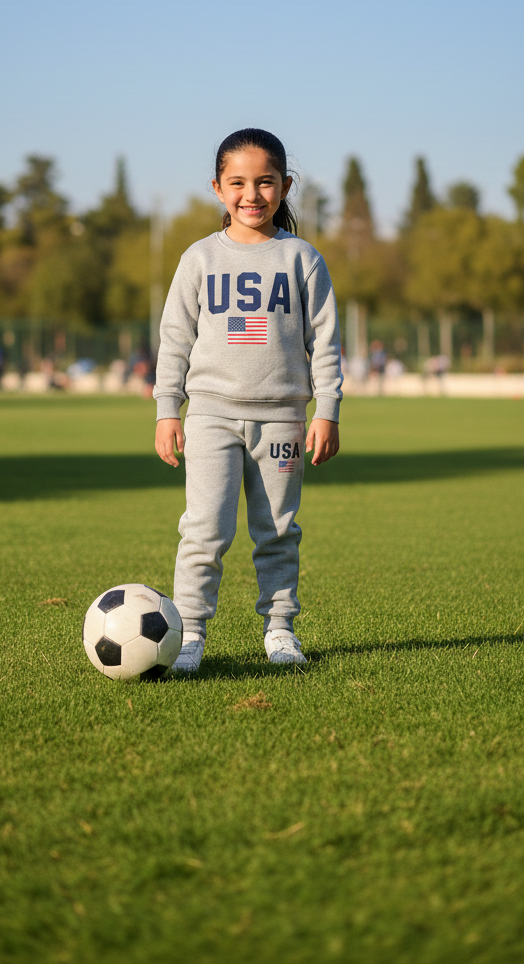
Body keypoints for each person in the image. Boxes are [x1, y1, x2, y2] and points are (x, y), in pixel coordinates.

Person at [154, 128, 342, 673]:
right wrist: (169, 411)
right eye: (237, 183)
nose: (251, 195)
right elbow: (175, 340)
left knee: (278, 530)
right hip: (210, 416)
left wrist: (326, 411)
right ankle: (188, 634)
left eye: (265, 182)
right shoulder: (199, 259)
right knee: (204, 530)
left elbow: (325, 343)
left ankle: (280, 629)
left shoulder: (302, 259)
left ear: (285, 186)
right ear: (217, 187)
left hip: (283, 420)